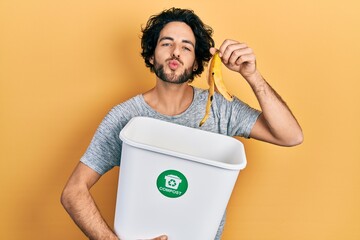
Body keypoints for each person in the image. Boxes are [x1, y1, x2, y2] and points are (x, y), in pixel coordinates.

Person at [61, 7, 303, 240]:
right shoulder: (126, 117)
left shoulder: (219, 108)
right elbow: (73, 191)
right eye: (166, 43)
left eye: (186, 47)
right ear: (151, 54)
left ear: (197, 63)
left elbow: (290, 136)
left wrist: (252, 75)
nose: (175, 52)